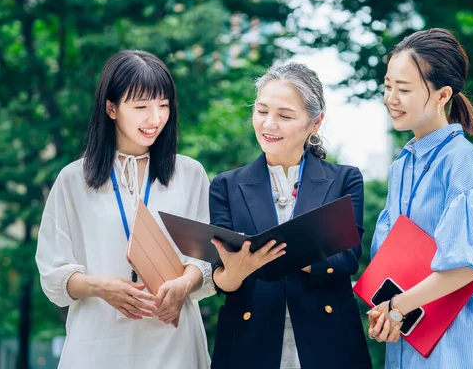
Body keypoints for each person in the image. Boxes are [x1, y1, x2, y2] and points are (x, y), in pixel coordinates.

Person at [35, 50, 214, 368]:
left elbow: (205, 260)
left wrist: (184, 284)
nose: (155, 118)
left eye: (163, 106)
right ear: (111, 108)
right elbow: (52, 273)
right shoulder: (74, 179)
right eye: (141, 106)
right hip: (98, 344)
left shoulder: (190, 174)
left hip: (174, 342)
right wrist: (102, 287)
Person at [367, 28, 473, 368]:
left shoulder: (462, 161)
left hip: (462, 343)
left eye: (404, 89)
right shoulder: (401, 167)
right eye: (388, 85)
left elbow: (468, 265)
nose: (391, 98)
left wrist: (397, 307)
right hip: (414, 339)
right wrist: (386, 312)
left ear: (442, 95)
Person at [208, 63, 372, 369]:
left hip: (330, 341)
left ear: (315, 122)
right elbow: (223, 277)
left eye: (284, 116)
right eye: (261, 111)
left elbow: (347, 259)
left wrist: (274, 253)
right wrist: (236, 269)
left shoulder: (345, 179)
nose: (269, 124)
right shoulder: (225, 185)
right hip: (248, 341)